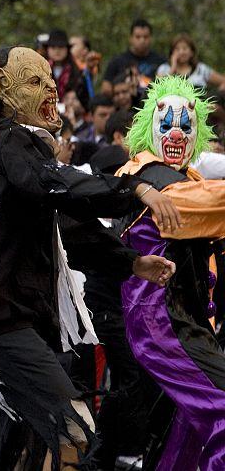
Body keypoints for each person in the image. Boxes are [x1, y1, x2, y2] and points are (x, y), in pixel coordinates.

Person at [0, 46, 179, 470]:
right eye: (35, 81)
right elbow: (53, 185)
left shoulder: (14, 152)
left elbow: (67, 223)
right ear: (2, 90)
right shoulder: (2, 143)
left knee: (7, 455)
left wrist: (130, 262)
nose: (51, 88)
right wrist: (134, 187)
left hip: (10, 322)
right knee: (74, 431)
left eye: (51, 78)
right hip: (1, 325)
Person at [116, 75, 225, 471]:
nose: (176, 131)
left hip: (184, 322)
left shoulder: (179, 178)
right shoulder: (150, 177)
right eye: (166, 123)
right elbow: (204, 204)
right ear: (149, 127)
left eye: (186, 124)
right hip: (164, 324)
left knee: (184, 433)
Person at [101, 18, 166, 95]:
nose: (142, 40)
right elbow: (105, 88)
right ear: (131, 38)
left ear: (150, 38)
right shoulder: (117, 61)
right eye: (138, 37)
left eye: (145, 37)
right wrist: (124, 88)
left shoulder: (160, 61)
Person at [155, 33, 225, 90]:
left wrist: (216, 99)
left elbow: (223, 81)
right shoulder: (164, 68)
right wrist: (173, 68)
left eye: (185, 48)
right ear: (172, 53)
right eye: (177, 49)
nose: (181, 52)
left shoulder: (201, 69)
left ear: (192, 52)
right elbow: (156, 87)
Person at [45, 29, 89, 112]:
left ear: (67, 49)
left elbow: (85, 101)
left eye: (61, 47)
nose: (57, 51)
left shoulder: (78, 73)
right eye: (53, 47)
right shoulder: (41, 70)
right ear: (47, 49)